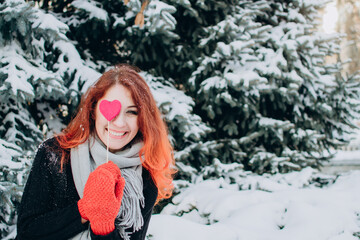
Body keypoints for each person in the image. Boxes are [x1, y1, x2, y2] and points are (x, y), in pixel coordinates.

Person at [16, 64, 176, 240]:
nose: (120, 123)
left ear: (143, 119)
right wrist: (84, 210)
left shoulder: (144, 179)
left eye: (131, 112)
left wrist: (103, 226)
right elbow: (27, 231)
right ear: (93, 110)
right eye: (111, 110)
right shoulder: (55, 154)